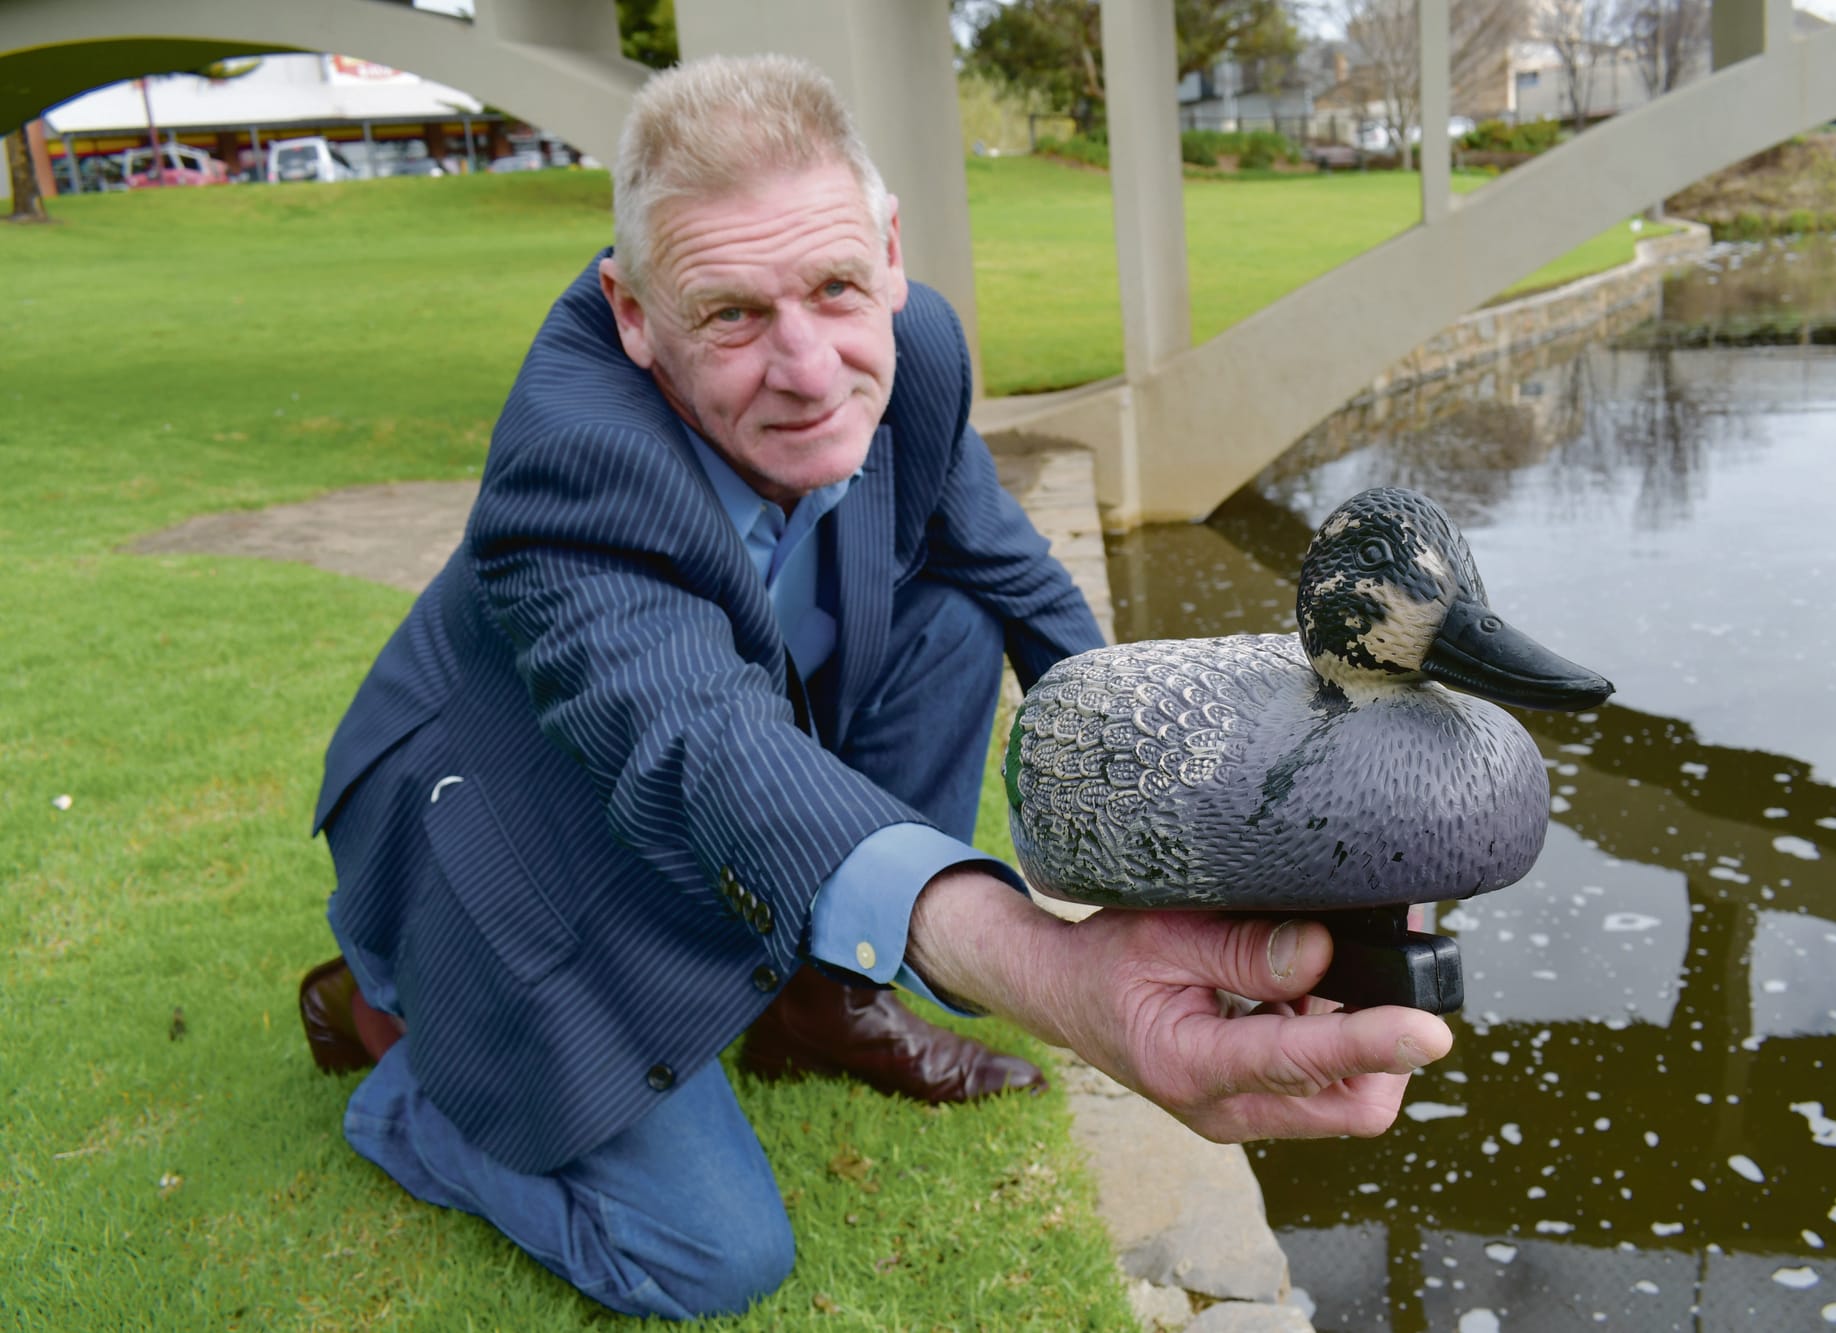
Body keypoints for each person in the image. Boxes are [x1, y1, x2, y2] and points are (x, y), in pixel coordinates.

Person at [299, 53, 1452, 1320]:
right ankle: (399, 1054)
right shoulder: (572, 464)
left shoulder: (915, 351)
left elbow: (1017, 587)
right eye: (730, 314)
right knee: (712, 1264)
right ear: (632, 314)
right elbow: (702, 747)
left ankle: (818, 998)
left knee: (952, 611)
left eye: (835, 287)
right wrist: (1046, 970)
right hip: (506, 812)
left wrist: (1216, 837)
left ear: (888, 251)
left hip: (690, 741)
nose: (808, 368)